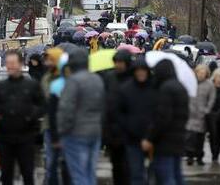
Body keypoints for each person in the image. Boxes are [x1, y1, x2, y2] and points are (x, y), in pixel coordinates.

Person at [0, 50, 45, 185]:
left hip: (26, 137)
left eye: (13, 63)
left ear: (21, 64)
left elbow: (42, 106)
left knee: (27, 173)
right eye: (8, 63)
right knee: (6, 175)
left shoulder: (32, 85)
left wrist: (31, 116)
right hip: (5, 137)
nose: (10, 66)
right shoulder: (0, 86)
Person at [57, 49, 105, 185]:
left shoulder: (73, 81)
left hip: (75, 132)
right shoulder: (97, 79)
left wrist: (61, 131)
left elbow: (66, 109)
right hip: (95, 131)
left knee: (78, 174)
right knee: (90, 172)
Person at [142, 59, 189, 185]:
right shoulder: (181, 87)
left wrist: (150, 138)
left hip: (165, 141)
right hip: (179, 138)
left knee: (166, 177)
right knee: (177, 174)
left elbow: (162, 117)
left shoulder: (166, 89)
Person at [116, 58, 156, 185]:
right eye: (138, 71)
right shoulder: (126, 89)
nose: (140, 73)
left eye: (143, 71)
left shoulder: (154, 89)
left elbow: (159, 114)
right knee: (136, 174)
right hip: (132, 139)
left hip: (152, 140)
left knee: (153, 175)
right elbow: (120, 113)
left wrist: (150, 137)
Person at [102, 50, 133, 185]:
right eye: (117, 62)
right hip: (112, 129)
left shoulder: (132, 78)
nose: (119, 65)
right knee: (116, 165)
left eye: (121, 62)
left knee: (128, 165)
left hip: (129, 129)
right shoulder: (109, 77)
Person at [47, 53, 71, 185]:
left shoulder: (78, 84)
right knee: (54, 164)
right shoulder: (56, 85)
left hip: (74, 132)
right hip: (57, 130)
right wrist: (55, 137)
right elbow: (52, 112)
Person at [186, 65, 216, 165]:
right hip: (191, 114)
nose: (201, 75)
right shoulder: (191, 82)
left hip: (202, 116)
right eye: (199, 72)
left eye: (203, 73)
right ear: (196, 72)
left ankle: (199, 157)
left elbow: (212, 98)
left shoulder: (209, 85)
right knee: (190, 138)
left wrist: (207, 110)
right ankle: (190, 156)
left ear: (206, 74)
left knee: (200, 139)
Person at [206, 68, 220, 162]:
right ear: (214, 77)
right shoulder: (210, 86)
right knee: (213, 134)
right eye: (219, 76)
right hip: (212, 114)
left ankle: (217, 150)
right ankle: (214, 153)